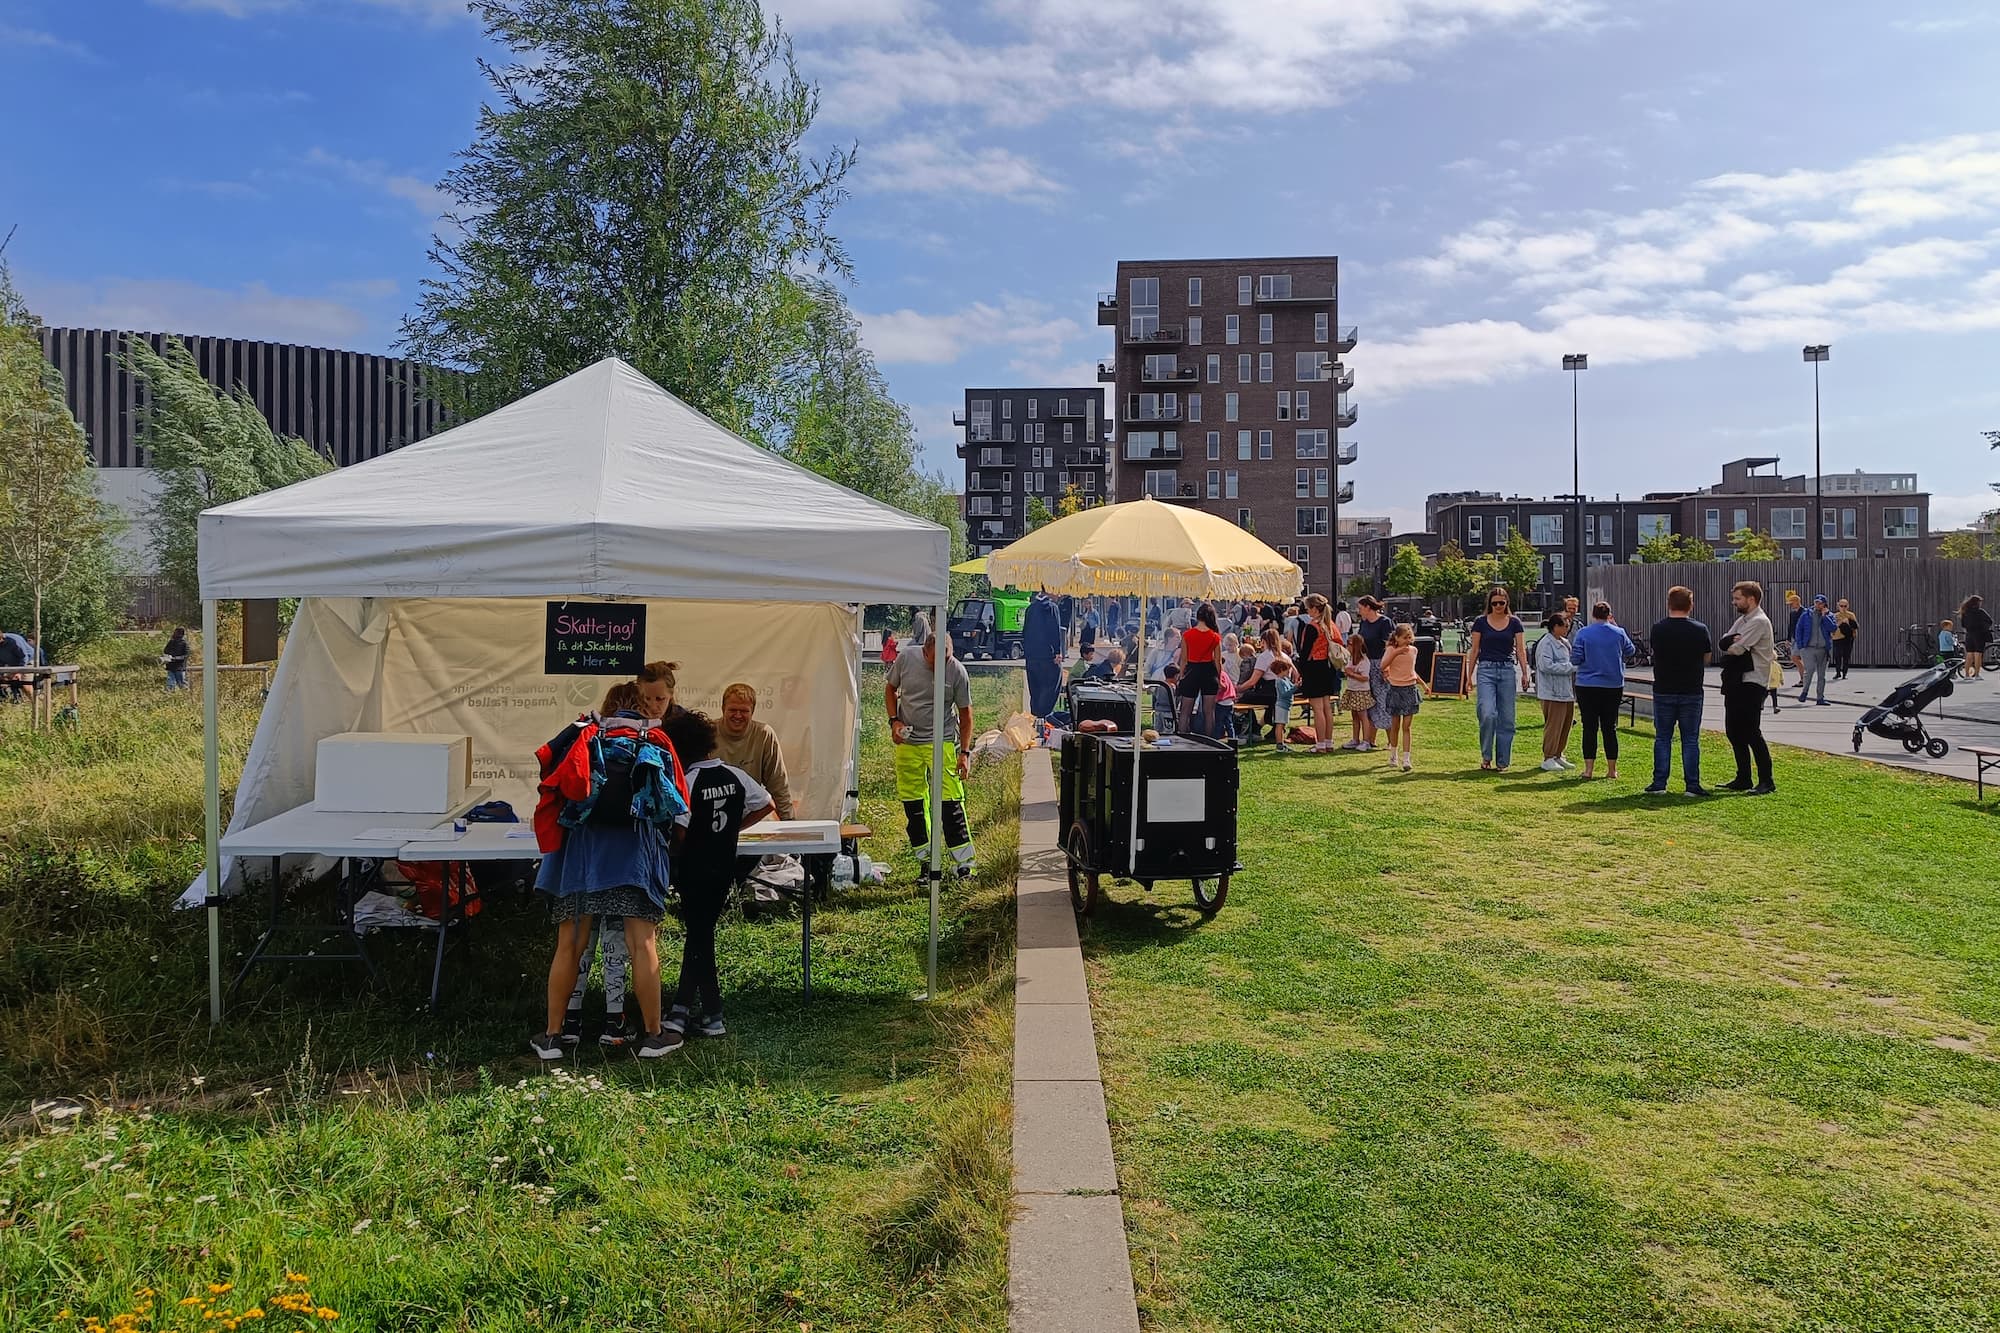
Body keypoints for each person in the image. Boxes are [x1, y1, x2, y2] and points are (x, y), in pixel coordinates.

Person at [530, 683, 689, 1061]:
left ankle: (554, 1037)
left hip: (582, 860)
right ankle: (654, 1034)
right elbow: (677, 804)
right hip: (635, 856)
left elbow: (552, 782)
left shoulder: (582, 734)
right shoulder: (658, 739)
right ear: (642, 706)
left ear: (607, 705)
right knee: (642, 945)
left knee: (569, 945)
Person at [661, 710, 774, 1040]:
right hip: (724, 868)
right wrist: (733, 831)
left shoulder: (689, 781)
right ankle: (689, 1010)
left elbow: (680, 832)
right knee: (701, 935)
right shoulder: (734, 774)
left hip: (694, 868)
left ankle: (707, 1013)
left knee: (699, 937)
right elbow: (766, 803)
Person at [885, 632, 977, 877]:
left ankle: (964, 864)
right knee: (913, 803)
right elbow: (890, 689)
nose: (941, 665)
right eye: (935, 660)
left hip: (943, 742)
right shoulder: (906, 658)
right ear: (924, 652)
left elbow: (966, 714)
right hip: (909, 743)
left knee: (950, 802)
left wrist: (964, 753)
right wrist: (894, 721)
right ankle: (926, 862)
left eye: (946, 658)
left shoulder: (957, 671)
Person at [1646, 586, 1713, 796]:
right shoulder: (1700, 629)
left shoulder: (1658, 628)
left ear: (1669, 604)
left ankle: (1659, 783)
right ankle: (1692, 785)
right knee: (1690, 739)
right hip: (1691, 689)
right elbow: (1707, 657)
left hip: (1664, 688)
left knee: (1663, 737)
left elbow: (1655, 653)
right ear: (1690, 605)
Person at [1718, 580, 1777, 795]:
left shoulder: (1759, 621)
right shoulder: (1743, 620)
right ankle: (1743, 777)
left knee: (1751, 731)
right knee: (1733, 731)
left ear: (1751, 599)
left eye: (1738, 598)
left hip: (1753, 681)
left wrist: (1728, 643)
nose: (1734, 602)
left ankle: (1766, 780)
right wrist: (1727, 642)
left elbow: (1736, 649)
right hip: (1736, 681)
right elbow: (1724, 641)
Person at [1570, 601, 1636, 781]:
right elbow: (1631, 650)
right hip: (1612, 685)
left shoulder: (1584, 633)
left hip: (1587, 685)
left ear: (1593, 614)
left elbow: (1575, 659)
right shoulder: (1619, 632)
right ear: (1609, 614)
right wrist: (1616, 627)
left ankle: (1589, 769)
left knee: (1589, 727)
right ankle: (1612, 770)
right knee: (1609, 727)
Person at [1468, 588, 1530, 771]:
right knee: (1487, 713)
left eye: (1501, 603)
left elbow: (1520, 649)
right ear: (1489, 604)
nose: (1497, 606)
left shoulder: (1514, 623)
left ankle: (1503, 761)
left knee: (1507, 718)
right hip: (1486, 669)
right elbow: (1475, 649)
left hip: (1507, 670)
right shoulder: (1480, 622)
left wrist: (1525, 673)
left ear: (1506, 603)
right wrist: (1468, 676)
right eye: (1494, 603)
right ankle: (1486, 756)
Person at [714, 683, 795, 820]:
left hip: (751, 815)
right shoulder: (708, 732)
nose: (738, 716)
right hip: (715, 813)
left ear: (752, 711)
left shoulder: (764, 734)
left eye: (744, 711)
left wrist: (789, 823)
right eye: (733, 710)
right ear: (723, 709)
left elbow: (778, 785)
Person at [1295, 595, 1344, 752]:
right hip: (1328, 666)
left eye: (1309, 608)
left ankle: (1320, 744)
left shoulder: (1313, 627)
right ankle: (1328, 742)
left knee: (1317, 708)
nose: (1307, 611)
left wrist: (1300, 670)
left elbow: (1305, 652)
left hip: (1314, 666)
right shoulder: (1330, 625)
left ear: (1315, 608)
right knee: (1326, 707)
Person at [1532, 611, 1577, 772]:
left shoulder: (1564, 642)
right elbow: (1545, 666)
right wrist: (1570, 668)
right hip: (1551, 692)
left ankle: (1559, 754)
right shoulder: (1546, 643)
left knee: (1566, 723)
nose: (1567, 629)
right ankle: (1548, 756)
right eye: (1564, 626)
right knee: (1554, 724)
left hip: (1566, 691)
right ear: (1555, 627)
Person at [1354, 596, 1398, 753]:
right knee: (1370, 701)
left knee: (1383, 701)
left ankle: (1391, 740)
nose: (1359, 611)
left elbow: (1390, 646)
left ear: (1368, 607)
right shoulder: (1364, 623)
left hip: (1380, 664)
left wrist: (1386, 667)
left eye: (1360, 608)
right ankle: (1370, 739)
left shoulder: (1384, 622)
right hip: (1367, 664)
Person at [1175, 603, 1226, 738]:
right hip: (1209, 671)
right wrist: (1220, 678)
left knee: (1185, 710)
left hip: (1192, 670)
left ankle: (1182, 738)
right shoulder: (1215, 636)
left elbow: (1184, 659)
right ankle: (1209, 741)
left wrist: (1181, 675)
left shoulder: (1187, 635)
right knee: (1209, 712)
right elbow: (1218, 661)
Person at [1380, 623, 1423, 771]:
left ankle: (1406, 758)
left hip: (1410, 688)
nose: (1407, 641)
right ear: (1397, 638)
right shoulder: (1391, 649)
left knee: (1407, 726)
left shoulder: (1414, 650)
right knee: (1395, 725)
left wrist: (1423, 684)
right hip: (1395, 689)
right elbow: (1383, 665)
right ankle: (1393, 754)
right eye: (1404, 638)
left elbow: (1412, 670)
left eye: (1409, 637)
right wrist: (1396, 653)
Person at [1023, 591, 1065, 718]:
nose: (1059, 594)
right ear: (1050, 590)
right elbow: (1055, 631)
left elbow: (1024, 632)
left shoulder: (1030, 608)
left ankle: (1036, 718)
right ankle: (1046, 717)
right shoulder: (1051, 608)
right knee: (1051, 688)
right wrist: (1058, 652)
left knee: (1035, 691)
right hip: (1048, 656)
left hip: (1031, 657)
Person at [1792, 593, 1835, 706]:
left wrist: (1825, 616)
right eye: (1816, 602)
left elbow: (1833, 628)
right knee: (1809, 671)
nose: (1818, 605)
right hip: (1808, 648)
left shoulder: (1829, 615)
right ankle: (1804, 692)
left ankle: (1820, 698)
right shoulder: (1807, 614)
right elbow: (1799, 629)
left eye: (1820, 603)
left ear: (1824, 604)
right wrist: (1801, 646)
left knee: (1822, 675)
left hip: (1823, 649)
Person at [1340, 634, 1374, 750]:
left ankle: (1366, 741)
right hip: (1352, 689)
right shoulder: (1350, 659)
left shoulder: (1364, 660)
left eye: (1349, 644)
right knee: (1354, 715)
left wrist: (1352, 674)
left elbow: (1365, 677)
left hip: (1361, 691)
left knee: (1363, 715)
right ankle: (1355, 739)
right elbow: (1348, 670)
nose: (1347, 646)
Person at [1961, 595, 1992, 680]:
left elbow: (1963, 624)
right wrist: (1983, 627)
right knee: (1978, 655)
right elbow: (1990, 621)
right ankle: (1977, 675)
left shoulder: (1965, 612)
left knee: (1969, 655)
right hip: (1979, 635)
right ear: (1977, 603)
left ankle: (1967, 675)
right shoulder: (1980, 612)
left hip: (1969, 635)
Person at [1830, 599, 1859, 680]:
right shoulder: (1834, 615)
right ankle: (1838, 672)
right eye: (1841, 606)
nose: (1843, 608)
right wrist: (1840, 623)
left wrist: (1849, 623)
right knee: (1837, 656)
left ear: (1848, 606)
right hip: (1837, 637)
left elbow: (1855, 626)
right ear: (1838, 606)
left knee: (1846, 656)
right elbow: (1832, 627)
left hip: (1847, 638)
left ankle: (1844, 673)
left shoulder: (1851, 615)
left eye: (1845, 606)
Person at [1783, 590, 1805, 690]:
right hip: (1795, 638)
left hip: (1803, 639)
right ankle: (1803, 679)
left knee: (1795, 658)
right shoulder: (1792, 613)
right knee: (1796, 658)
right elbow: (1790, 626)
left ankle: (1803, 679)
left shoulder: (1804, 612)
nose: (1791, 605)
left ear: (1797, 602)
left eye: (1792, 603)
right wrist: (1788, 639)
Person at [163, 627, 192, 692]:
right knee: (170, 684)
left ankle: (185, 696)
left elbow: (186, 655)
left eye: (175, 633)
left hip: (179, 667)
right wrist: (169, 656)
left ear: (180, 634)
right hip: (170, 667)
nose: (174, 634)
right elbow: (165, 650)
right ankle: (170, 696)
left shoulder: (184, 644)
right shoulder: (171, 642)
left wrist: (176, 658)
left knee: (182, 684)